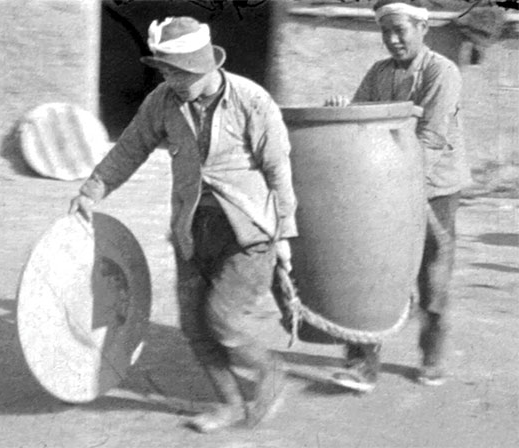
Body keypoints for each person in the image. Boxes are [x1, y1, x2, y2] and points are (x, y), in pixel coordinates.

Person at [69, 17, 298, 432]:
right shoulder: (163, 102)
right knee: (194, 327)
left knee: (224, 321)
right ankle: (229, 403)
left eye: (179, 71)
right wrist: (93, 189)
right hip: (192, 231)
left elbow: (278, 170)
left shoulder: (253, 101)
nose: (171, 79)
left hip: (247, 234)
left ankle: (269, 371)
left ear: (204, 64)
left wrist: (284, 233)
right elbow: (130, 148)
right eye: (165, 70)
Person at [325, 0, 470, 392]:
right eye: (385, 31)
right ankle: (361, 365)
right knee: (371, 275)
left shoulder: (443, 72)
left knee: (432, 279)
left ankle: (432, 355)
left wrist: (393, 188)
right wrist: (343, 110)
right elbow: (360, 121)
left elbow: (432, 137)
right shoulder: (378, 72)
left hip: (434, 189)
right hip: (387, 188)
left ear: (422, 28)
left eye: (400, 30)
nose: (392, 39)